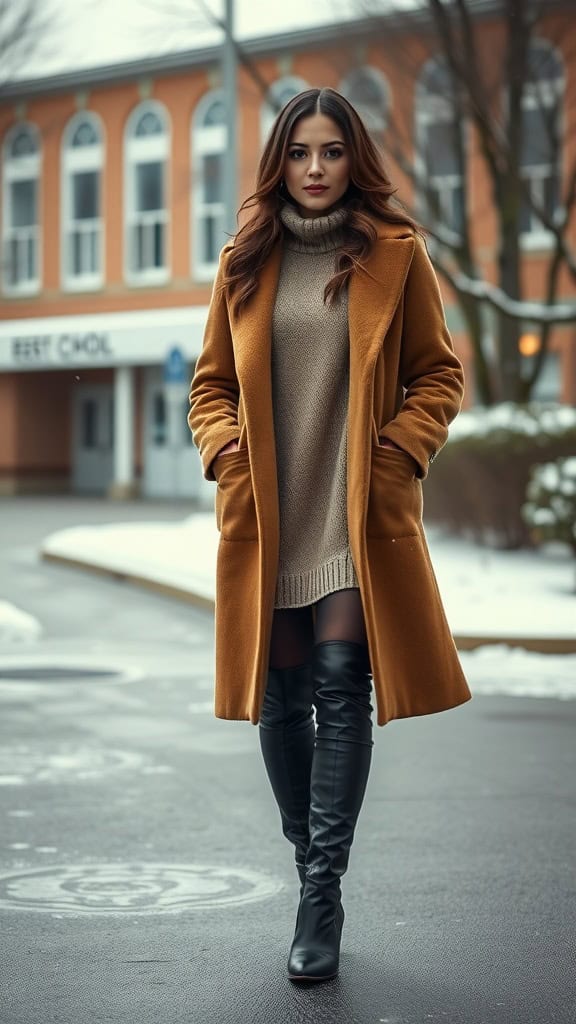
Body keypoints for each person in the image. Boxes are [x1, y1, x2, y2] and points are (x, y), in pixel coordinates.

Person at [188, 86, 472, 983]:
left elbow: (440, 374)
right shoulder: (244, 260)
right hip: (273, 511)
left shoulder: (396, 254)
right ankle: (309, 853)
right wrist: (224, 452)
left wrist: (398, 452)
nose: (316, 170)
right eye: (301, 153)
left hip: (353, 507)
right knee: (281, 699)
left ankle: (320, 890)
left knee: (342, 682)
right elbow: (207, 386)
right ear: (282, 161)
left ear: (356, 160)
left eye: (333, 152)